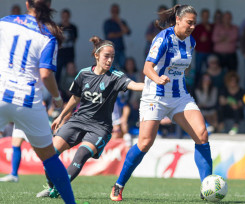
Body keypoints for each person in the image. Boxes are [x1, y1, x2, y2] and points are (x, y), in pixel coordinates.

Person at [110, 5, 212, 201]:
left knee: (202, 134)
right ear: (178, 20)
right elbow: (147, 68)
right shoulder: (163, 38)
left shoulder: (191, 41)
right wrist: (157, 79)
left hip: (179, 95)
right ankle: (119, 184)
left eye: (194, 23)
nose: (192, 27)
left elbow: (183, 68)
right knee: (145, 142)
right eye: (189, 22)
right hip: (155, 95)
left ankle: (207, 187)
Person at [36, 36, 144, 198]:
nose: (109, 60)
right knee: (50, 154)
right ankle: (54, 186)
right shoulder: (84, 74)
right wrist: (62, 116)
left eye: (112, 57)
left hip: (100, 128)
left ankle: (58, 190)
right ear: (97, 56)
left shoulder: (115, 76)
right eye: (106, 56)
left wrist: (153, 84)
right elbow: (75, 98)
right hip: (78, 121)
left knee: (80, 155)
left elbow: (134, 85)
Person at [0, 0, 75, 203]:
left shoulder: (5, 22)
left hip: (1, 94)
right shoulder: (48, 34)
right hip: (28, 101)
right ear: (49, 4)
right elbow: (45, 74)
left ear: (26, 3)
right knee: (50, 157)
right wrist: (58, 99)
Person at [104, 4, 131, 69]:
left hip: (120, 48)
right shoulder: (108, 22)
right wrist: (122, 33)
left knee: (123, 68)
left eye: (116, 11)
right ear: (111, 11)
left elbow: (127, 32)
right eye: (114, 11)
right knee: (110, 68)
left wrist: (119, 22)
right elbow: (110, 35)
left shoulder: (122, 21)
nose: (115, 13)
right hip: (110, 49)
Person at [191, 9, 214, 85]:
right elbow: (192, 39)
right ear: (201, 17)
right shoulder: (197, 27)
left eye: (207, 16)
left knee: (210, 71)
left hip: (209, 52)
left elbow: (215, 39)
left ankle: (209, 87)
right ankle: (197, 88)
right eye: (204, 16)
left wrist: (209, 31)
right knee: (198, 71)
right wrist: (199, 39)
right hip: (199, 52)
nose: (205, 18)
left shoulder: (212, 26)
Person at [56, 9, 78, 85]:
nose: (65, 18)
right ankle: (58, 91)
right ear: (61, 16)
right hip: (60, 54)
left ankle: (71, 90)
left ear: (69, 16)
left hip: (70, 54)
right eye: (63, 16)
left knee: (71, 74)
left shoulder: (73, 27)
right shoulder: (58, 27)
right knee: (58, 73)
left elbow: (75, 39)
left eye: (66, 16)